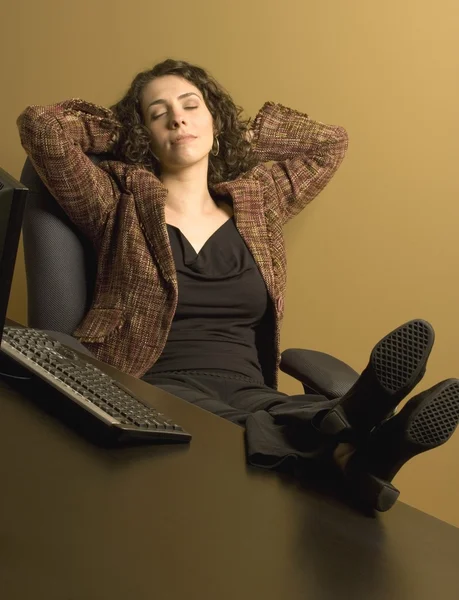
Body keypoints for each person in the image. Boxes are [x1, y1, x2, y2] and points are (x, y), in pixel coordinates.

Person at [17, 59, 459, 512]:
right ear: (142, 133)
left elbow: (330, 142)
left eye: (192, 106)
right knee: (234, 425)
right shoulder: (115, 202)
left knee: (277, 413)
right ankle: (366, 440)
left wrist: (234, 128)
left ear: (213, 118)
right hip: (153, 382)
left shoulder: (260, 202)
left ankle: (352, 438)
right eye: (157, 113)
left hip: (248, 385)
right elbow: (41, 127)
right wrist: (122, 129)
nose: (178, 118)